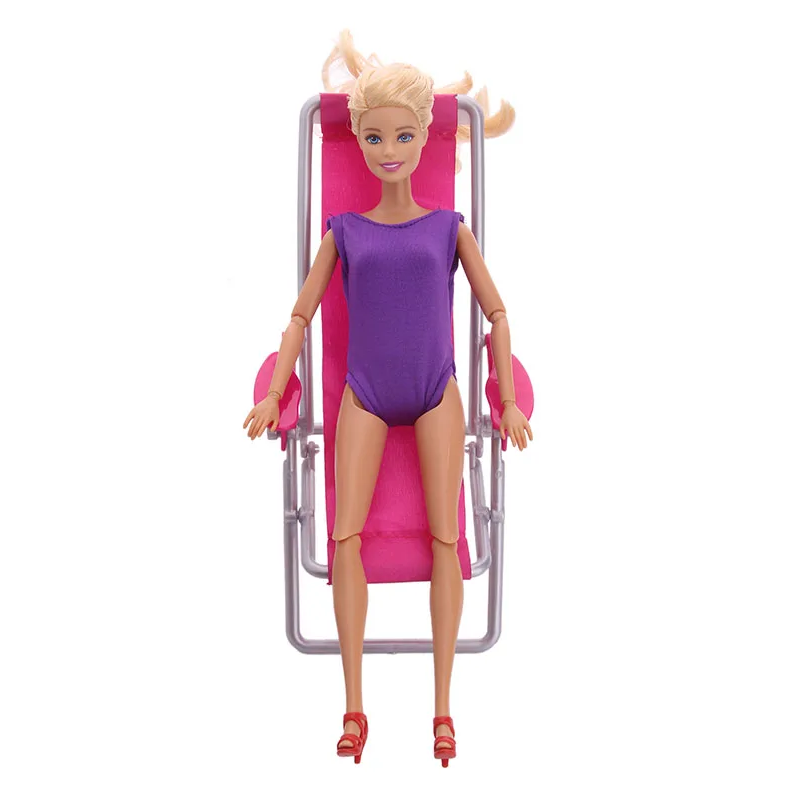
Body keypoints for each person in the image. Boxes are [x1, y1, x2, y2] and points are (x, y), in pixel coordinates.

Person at [242, 29, 532, 767]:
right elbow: (300, 316)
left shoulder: (447, 229)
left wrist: (507, 398)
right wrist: (275, 391)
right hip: (364, 394)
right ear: (361, 142)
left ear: (425, 136)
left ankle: (443, 709)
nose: (388, 149)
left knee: (445, 536)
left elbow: (497, 313)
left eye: (403, 135)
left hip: (436, 392)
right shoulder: (343, 231)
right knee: (345, 535)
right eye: (373, 137)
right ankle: (353, 706)